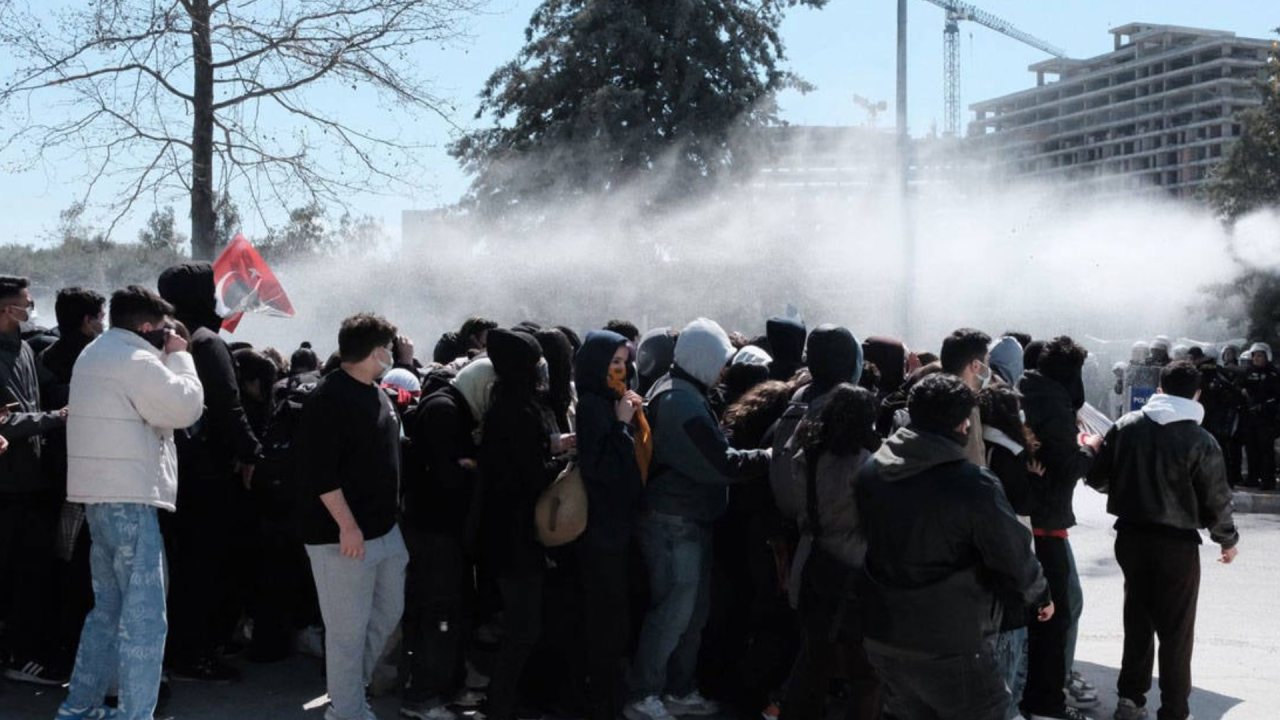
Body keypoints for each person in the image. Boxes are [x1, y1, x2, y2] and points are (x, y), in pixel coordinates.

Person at [857, 374, 1052, 720]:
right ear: (963, 424)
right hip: (952, 642)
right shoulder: (972, 484)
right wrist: (1040, 596)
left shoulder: (872, 470)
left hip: (884, 634)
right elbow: (1013, 555)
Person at [58, 285, 205, 720]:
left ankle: (79, 705)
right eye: (161, 329)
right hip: (130, 499)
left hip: (99, 497)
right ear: (146, 327)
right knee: (145, 618)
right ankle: (136, 713)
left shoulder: (97, 352)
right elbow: (184, 407)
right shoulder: (135, 359)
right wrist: (180, 357)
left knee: (107, 611)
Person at [625, 318, 771, 720]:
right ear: (704, 358)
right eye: (720, 359)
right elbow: (719, 463)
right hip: (674, 521)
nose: (724, 369)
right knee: (673, 613)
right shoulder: (681, 402)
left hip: (686, 518)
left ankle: (677, 688)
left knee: (691, 614)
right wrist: (768, 457)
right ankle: (643, 694)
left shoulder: (679, 389)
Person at [1086, 361, 1239, 720]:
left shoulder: (1127, 426)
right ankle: (1173, 710)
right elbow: (1217, 499)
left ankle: (1130, 700)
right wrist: (1226, 540)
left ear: (1159, 388)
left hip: (1130, 537)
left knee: (1137, 619)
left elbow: (1097, 478)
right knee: (1176, 631)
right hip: (1177, 544)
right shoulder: (1201, 440)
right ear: (1197, 394)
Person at [295, 313, 410, 720]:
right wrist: (347, 526)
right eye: (389, 348)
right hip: (341, 537)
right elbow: (319, 473)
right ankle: (347, 710)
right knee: (347, 632)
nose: (392, 353)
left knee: (386, 614)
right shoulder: (328, 398)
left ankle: (348, 694)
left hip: (384, 531)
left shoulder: (376, 392)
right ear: (376, 351)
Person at [157, 263, 262, 681]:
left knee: (182, 565)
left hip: (171, 471)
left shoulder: (161, 339)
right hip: (208, 475)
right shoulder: (206, 341)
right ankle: (194, 653)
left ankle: (183, 648)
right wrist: (251, 451)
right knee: (205, 566)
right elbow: (227, 406)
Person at [780, 384, 884, 720]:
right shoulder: (866, 464)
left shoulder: (807, 453)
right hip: (854, 568)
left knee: (815, 661)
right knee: (865, 674)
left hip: (812, 560)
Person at [399, 358, 494, 720]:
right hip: (436, 532)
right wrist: (475, 468)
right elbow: (448, 476)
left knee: (446, 612)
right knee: (440, 614)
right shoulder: (445, 411)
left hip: (437, 530)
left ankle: (440, 686)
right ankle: (423, 697)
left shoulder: (450, 406)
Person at [478, 329, 565, 720]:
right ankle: (501, 704)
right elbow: (530, 476)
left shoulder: (505, 407)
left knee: (521, 625)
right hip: (515, 536)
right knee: (523, 628)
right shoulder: (518, 412)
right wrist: (561, 462)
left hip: (505, 532)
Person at [1018, 337, 1101, 720]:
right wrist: (1090, 448)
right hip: (1047, 524)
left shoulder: (1027, 390)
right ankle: (1047, 702)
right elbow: (1066, 469)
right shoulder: (1055, 404)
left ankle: (1037, 693)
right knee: (1057, 613)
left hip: (1028, 518)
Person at [575, 330, 648, 720]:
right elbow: (601, 467)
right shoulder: (593, 405)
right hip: (601, 527)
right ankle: (600, 699)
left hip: (619, 523)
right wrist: (621, 424)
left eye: (625, 362)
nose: (621, 370)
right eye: (614, 363)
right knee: (606, 619)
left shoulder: (614, 400)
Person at [0, 274, 69, 686]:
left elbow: (40, 396)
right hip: (7, 486)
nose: (30, 309)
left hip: (31, 481)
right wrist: (56, 418)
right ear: (6, 309)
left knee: (31, 574)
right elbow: (6, 422)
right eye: (25, 304)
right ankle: (18, 656)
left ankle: (24, 651)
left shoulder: (25, 349)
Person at [36, 287, 107, 668]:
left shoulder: (43, 357)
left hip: (59, 476)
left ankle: (63, 643)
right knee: (84, 566)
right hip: (89, 479)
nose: (103, 323)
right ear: (87, 321)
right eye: (100, 316)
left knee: (65, 560)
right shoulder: (97, 359)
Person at [979, 384, 1044, 719]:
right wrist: (1035, 481)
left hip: (978, 553)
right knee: (1012, 644)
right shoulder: (1011, 451)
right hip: (1011, 548)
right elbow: (1022, 504)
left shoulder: (977, 443)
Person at [939, 327, 993, 465]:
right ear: (975, 365)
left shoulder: (927, 396)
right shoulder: (967, 407)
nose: (988, 368)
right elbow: (975, 461)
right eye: (987, 362)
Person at [1239, 342, 1279, 490]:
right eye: (1254, 355)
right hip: (1250, 416)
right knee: (1251, 448)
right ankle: (1252, 478)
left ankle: (1268, 480)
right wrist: (1242, 391)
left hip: (1266, 418)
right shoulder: (1248, 372)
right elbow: (1240, 386)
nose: (1256, 358)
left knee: (1266, 449)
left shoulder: (1274, 374)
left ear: (1267, 357)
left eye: (1260, 356)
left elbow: (1277, 396)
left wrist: (1264, 405)